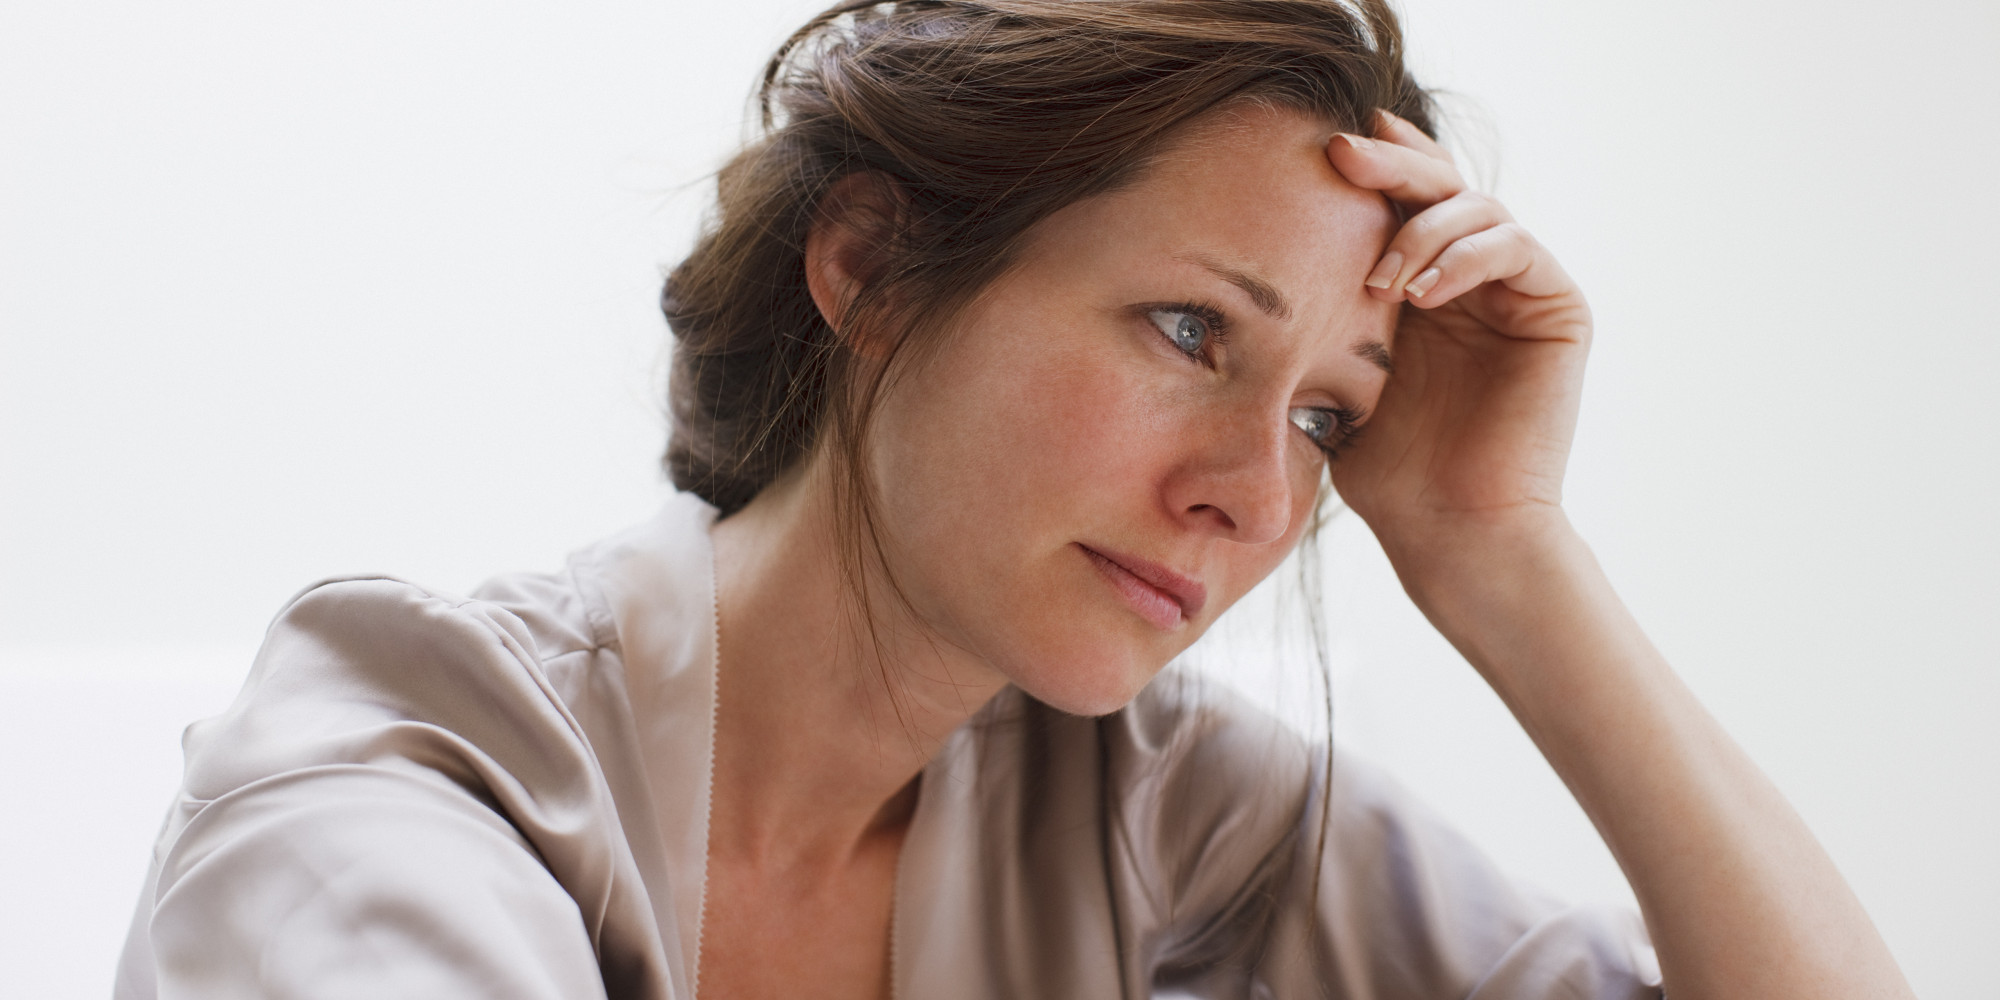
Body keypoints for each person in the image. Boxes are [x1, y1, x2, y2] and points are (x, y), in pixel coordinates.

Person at [114, 1, 1915, 998]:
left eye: (1328, 424)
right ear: (875, 269)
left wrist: (1507, 556)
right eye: (1191, 327)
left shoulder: (1148, 803)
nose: (1246, 498)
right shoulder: (410, 754)